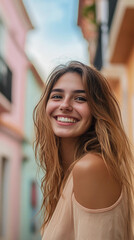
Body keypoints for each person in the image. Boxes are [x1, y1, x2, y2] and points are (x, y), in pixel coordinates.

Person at [33, 61, 134, 239]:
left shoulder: (91, 168)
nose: (65, 105)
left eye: (80, 98)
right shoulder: (67, 173)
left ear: (97, 110)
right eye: (57, 96)